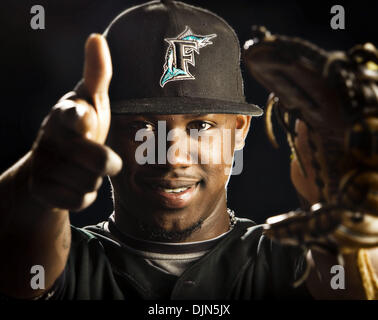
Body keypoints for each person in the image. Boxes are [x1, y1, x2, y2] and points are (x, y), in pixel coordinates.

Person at [0, 0, 376, 300]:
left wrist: (357, 213)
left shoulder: (287, 257)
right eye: (141, 128)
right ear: (105, 131)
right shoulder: (70, 261)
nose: (172, 156)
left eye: (200, 126)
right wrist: (37, 184)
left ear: (240, 130)